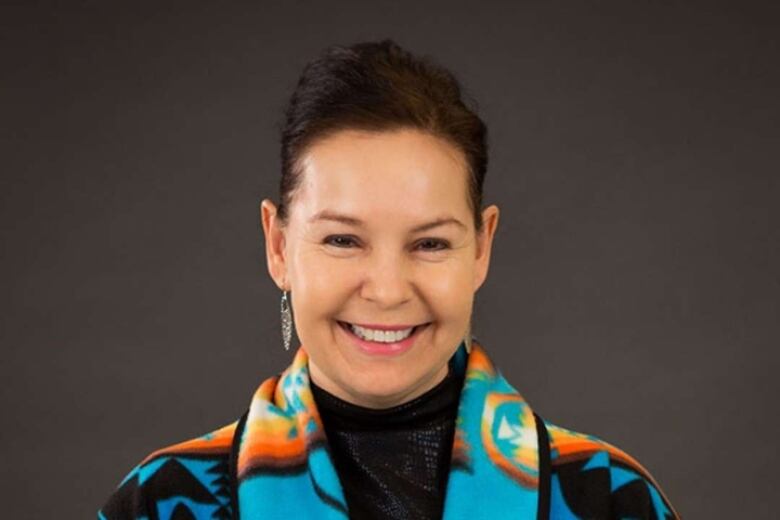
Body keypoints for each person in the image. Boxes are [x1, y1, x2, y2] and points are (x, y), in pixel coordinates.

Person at [99, 39, 679, 520]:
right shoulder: (162, 503)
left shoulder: (607, 498)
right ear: (278, 246)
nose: (386, 290)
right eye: (343, 240)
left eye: (429, 244)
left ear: (482, 248)